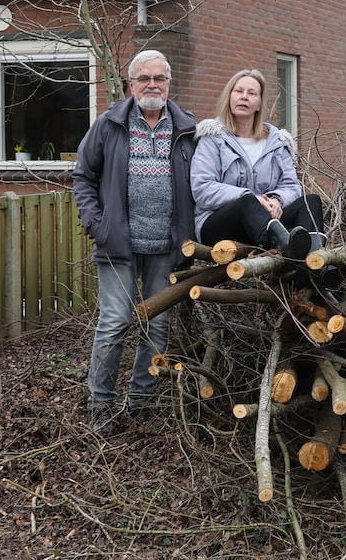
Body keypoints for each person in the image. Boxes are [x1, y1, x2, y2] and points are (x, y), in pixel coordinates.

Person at [73, 50, 198, 434]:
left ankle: (140, 404)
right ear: (131, 84)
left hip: (167, 247)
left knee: (157, 327)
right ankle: (101, 405)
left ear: (169, 83)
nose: (152, 85)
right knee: (114, 323)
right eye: (144, 78)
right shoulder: (108, 125)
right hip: (119, 247)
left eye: (159, 78)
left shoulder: (187, 130)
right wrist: (98, 224)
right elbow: (83, 177)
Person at [191, 68, 329, 265]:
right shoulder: (212, 138)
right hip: (219, 226)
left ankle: (316, 261)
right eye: (238, 91)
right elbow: (202, 189)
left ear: (259, 104)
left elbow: (291, 187)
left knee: (311, 201)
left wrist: (278, 201)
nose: (244, 97)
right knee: (246, 201)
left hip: (267, 224)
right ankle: (289, 248)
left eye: (252, 93)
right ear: (229, 97)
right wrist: (253, 199)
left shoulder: (277, 141)